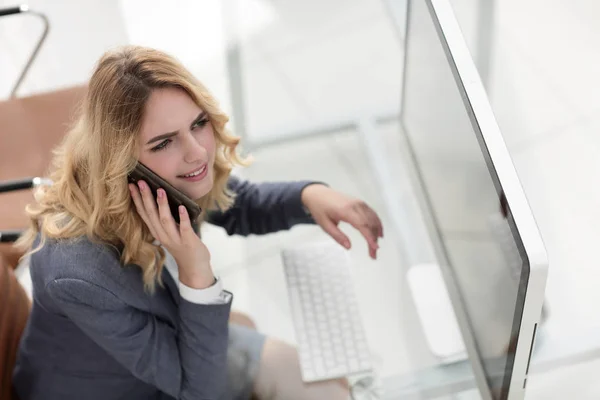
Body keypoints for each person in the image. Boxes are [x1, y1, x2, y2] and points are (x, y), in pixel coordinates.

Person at [12, 45, 384, 400]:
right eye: (164, 143)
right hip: (123, 391)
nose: (198, 152)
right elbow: (196, 390)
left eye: (199, 123)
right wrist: (196, 274)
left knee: (334, 385)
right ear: (119, 158)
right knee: (325, 389)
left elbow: (237, 203)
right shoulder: (76, 272)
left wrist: (309, 196)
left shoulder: (156, 176)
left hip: (170, 345)